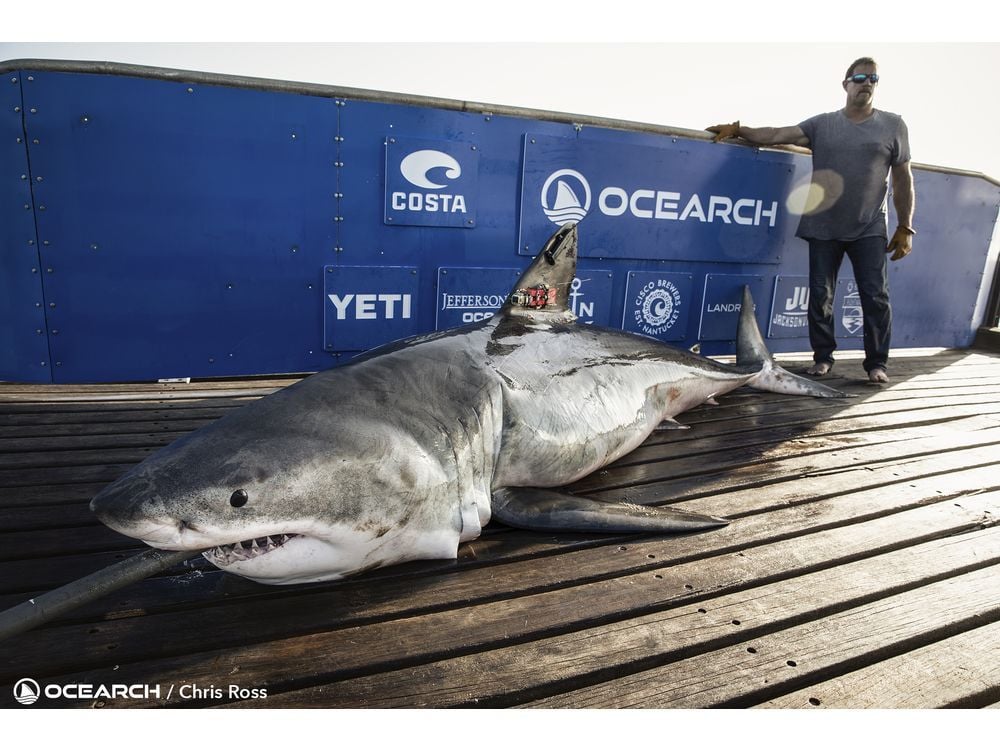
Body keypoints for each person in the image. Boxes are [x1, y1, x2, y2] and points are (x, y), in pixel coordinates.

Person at [707, 57, 915, 384]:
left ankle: (877, 363)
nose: (866, 83)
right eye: (859, 77)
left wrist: (905, 226)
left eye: (873, 78)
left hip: (869, 227)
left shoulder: (893, 125)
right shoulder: (823, 125)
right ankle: (823, 358)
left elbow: (903, 179)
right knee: (820, 295)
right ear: (846, 84)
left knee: (875, 297)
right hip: (824, 226)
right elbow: (776, 134)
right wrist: (739, 129)